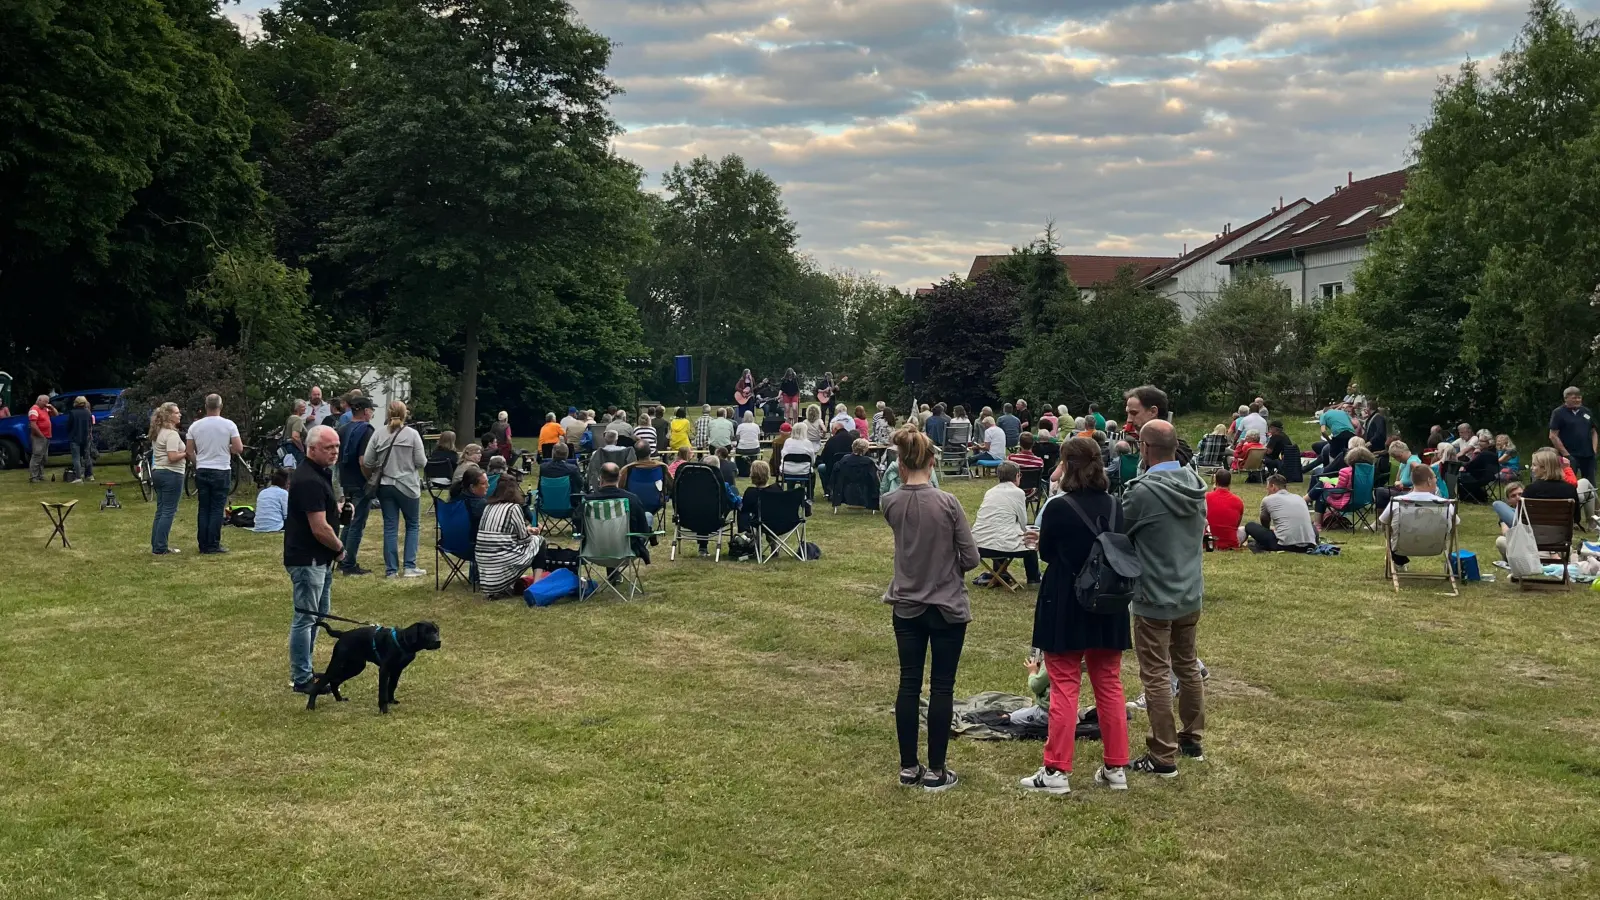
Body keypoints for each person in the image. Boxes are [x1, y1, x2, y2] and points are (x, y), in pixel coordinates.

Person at [1019, 436, 1131, 793]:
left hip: (1066, 599)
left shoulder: (1057, 507)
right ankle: (1116, 766)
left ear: (1066, 465)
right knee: (1109, 683)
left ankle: (1055, 771)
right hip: (1108, 601)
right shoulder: (1115, 504)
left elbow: (1048, 551)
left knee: (1065, 684)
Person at [883, 428, 978, 792]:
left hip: (906, 604)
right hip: (946, 604)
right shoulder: (948, 502)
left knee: (908, 684)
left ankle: (908, 767)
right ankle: (937, 770)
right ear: (933, 461)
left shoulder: (890, 502)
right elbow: (970, 557)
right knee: (942, 686)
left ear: (901, 463)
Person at [1121, 419, 1207, 777]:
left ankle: (1163, 754)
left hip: (1154, 595)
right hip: (1190, 592)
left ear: (1144, 448)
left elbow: (1119, 533)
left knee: (1156, 674)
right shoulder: (1196, 484)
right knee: (1186, 665)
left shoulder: (1141, 491)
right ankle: (1192, 739)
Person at [285, 425, 345, 695]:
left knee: (319, 614)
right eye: (328, 447)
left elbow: (321, 513)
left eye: (336, 446)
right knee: (306, 617)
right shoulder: (308, 478)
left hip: (318, 558)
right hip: (307, 558)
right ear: (311, 449)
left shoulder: (319, 474)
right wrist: (340, 547)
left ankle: (306, 669)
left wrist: (339, 509)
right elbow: (319, 528)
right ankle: (301, 678)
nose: (334, 452)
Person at [365, 400, 430, 578]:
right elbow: (421, 462)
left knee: (390, 527)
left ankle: (391, 570)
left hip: (385, 485)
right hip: (408, 485)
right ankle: (410, 566)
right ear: (405, 414)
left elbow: (368, 461)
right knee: (413, 525)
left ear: (388, 413)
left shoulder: (378, 434)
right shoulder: (412, 434)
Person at [187, 393, 243, 554]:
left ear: (205, 406)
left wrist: (198, 463)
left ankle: (202, 543)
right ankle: (213, 543)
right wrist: (227, 449)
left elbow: (189, 450)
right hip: (221, 469)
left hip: (203, 468)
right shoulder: (229, 425)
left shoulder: (195, 426)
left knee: (204, 507)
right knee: (217, 508)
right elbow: (239, 448)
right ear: (221, 406)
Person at [475, 476, 549, 598]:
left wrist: (526, 530)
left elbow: (500, 532)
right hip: (501, 562)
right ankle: (537, 586)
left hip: (485, 571)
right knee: (539, 541)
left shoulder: (488, 507)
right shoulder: (513, 508)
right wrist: (532, 532)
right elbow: (524, 539)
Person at [971, 462, 1040, 587]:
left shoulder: (990, 492)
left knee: (1002, 534)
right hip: (1001, 546)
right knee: (1030, 544)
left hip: (979, 545)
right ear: (1017, 475)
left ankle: (1000, 574)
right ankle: (1034, 579)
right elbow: (1023, 523)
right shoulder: (1018, 493)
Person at [1378, 464, 1458, 570]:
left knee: (1388, 530)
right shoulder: (1445, 504)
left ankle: (1397, 561)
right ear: (1429, 480)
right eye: (1435, 477)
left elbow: (1383, 522)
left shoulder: (1398, 502)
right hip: (1436, 547)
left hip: (1402, 547)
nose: (1436, 480)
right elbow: (1456, 523)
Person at [580, 462, 653, 575]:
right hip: (626, 551)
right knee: (648, 516)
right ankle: (614, 572)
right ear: (619, 477)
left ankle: (613, 573)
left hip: (593, 551)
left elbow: (579, 526)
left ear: (600, 478)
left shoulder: (587, 501)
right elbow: (642, 529)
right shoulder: (632, 499)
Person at [148, 402, 187, 555]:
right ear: (169, 416)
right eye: (177, 413)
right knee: (169, 511)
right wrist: (187, 453)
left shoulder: (158, 433)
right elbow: (172, 456)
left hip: (158, 471)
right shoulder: (171, 434)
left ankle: (157, 543)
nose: (180, 415)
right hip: (171, 473)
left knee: (161, 510)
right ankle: (160, 546)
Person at [1124, 385, 1193, 468]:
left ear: (1153, 411)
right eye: (1128, 413)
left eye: (1134, 413)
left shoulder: (1178, 455)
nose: (1129, 420)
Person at [1247, 475, 1319, 552]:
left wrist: (1268, 531)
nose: (1267, 490)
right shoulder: (1299, 498)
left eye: (1268, 488)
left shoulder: (1268, 499)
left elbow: (1264, 521)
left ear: (1273, 486)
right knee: (1311, 526)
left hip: (1285, 544)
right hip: (1309, 544)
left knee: (1250, 526)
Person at [1550, 386, 1597, 485]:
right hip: (1570, 455)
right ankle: (1571, 500)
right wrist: (1566, 454)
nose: (1577, 400)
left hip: (1588, 454)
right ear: (1566, 398)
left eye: (1579, 397)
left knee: (1590, 484)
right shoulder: (1558, 413)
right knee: (1569, 484)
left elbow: (1593, 432)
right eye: (1574, 398)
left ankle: (1590, 500)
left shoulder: (1586, 412)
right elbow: (1553, 436)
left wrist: (1594, 449)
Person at [1524, 447, 1583, 524]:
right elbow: (1577, 518)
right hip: (1562, 533)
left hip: (1535, 532)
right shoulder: (1570, 489)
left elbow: (1522, 516)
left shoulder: (1530, 489)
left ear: (1544, 468)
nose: (1532, 468)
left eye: (1534, 465)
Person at [1205, 470, 1244, 550]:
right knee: (1243, 529)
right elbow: (1236, 525)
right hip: (1230, 542)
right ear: (1230, 482)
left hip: (1208, 542)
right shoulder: (1238, 501)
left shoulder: (1206, 497)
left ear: (1216, 481)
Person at [1493, 481, 1526, 560]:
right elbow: (1506, 533)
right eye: (1513, 496)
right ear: (1508, 500)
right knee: (1500, 541)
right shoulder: (1506, 514)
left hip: (1535, 544)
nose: (1518, 497)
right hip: (1518, 543)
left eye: (1520, 494)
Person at [27, 394, 55, 482]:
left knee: (43, 458)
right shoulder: (34, 409)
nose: (47, 403)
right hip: (38, 437)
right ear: (39, 400)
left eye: (48, 402)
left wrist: (51, 408)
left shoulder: (45, 409)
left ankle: (40, 475)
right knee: (37, 456)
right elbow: (33, 425)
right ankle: (33, 477)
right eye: (45, 401)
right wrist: (41, 435)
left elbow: (55, 414)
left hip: (46, 436)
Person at [253, 469, 292, 533]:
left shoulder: (262, 492)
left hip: (259, 526)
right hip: (275, 527)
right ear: (285, 483)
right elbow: (287, 514)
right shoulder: (283, 493)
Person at [67, 395, 94, 483]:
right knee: (87, 456)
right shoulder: (88, 412)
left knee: (76, 458)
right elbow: (90, 425)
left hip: (75, 438)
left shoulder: (72, 413)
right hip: (86, 437)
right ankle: (89, 475)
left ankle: (78, 477)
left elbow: (69, 426)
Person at [283, 400, 308, 467]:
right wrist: (302, 450)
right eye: (303, 407)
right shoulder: (298, 420)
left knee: (289, 468)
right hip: (294, 447)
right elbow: (295, 437)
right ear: (297, 409)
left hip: (287, 446)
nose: (305, 408)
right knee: (300, 468)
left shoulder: (290, 418)